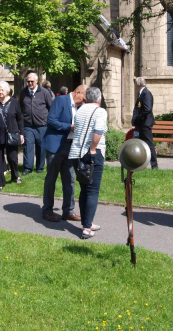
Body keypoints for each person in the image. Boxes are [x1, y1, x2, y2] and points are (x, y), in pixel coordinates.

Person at [41, 84, 88, 222]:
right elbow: (51, 121)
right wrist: (70, 127)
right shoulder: (61, 100)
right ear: (77, 92)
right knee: (51, 179)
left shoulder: (78, 107)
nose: (84, 102)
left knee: (70, 179)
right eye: (84, 99)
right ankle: (47, 210)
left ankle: (68, 210)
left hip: (70, 147)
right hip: (56, 146)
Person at [68, 87, 108, 239]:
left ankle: (87, 222)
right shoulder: (100, 111)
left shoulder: (80, 109)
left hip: (77, 153)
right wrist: (92, 148)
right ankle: (86, 228)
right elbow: (98, 131)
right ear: (99, 98)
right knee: (93, 191)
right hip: (93, 154)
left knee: (84, 189)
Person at [0, 81, 24, 192]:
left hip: (12, 134)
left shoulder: (14, 102)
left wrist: (22, 133)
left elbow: (20, 118)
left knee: (12, 158)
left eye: (2, 90)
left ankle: (15, 175)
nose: (0, 92)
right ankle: (0, 183)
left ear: (7, 91)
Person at [19, 72, 53, 175]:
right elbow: (21, 107)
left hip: (42, 125)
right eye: (28, 81)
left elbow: (50, 107)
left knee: (41, 147)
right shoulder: (23, 92)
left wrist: (47, 121)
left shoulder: (44, 92)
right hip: (28, 125)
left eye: (31, 81)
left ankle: (39, 167)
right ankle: (27, 168)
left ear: (37, 81)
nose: (29, 83)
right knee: (28, 146)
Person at [132, 77, 158, 169]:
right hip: (142, 124)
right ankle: (142, 164)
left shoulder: (146, 94)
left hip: (145, 124)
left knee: (149, 144)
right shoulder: (141, 93)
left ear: (138, 85)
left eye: (135, 84)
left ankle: (154, 166)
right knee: (142, 144)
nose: (135, 85)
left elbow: (147, 109)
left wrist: (138, 118)